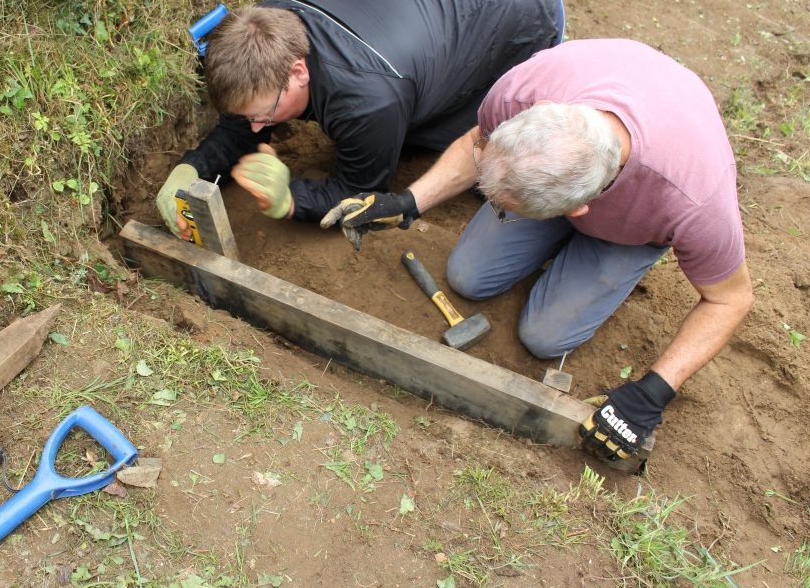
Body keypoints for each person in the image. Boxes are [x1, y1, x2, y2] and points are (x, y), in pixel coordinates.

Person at [321, 38, 754, 462]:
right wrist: (408, 203)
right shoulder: (524, 92)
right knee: (467, 277)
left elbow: (730, 298)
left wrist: (653, 391)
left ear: (580, 209)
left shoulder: (695, 199)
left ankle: (598, 248)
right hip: (578, 163)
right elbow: (479, 142)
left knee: (544, 337)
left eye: (505, 207)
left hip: (636, 224)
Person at [156, 0, 565, 237]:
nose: (258, 127)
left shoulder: (367, 100)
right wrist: (191, 168)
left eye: (265, 114)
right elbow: (243, 119)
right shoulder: (268, 23)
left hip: (523, 10)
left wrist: (291, 200)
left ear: (299, 71)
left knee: (474, 141)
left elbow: (360, 192)